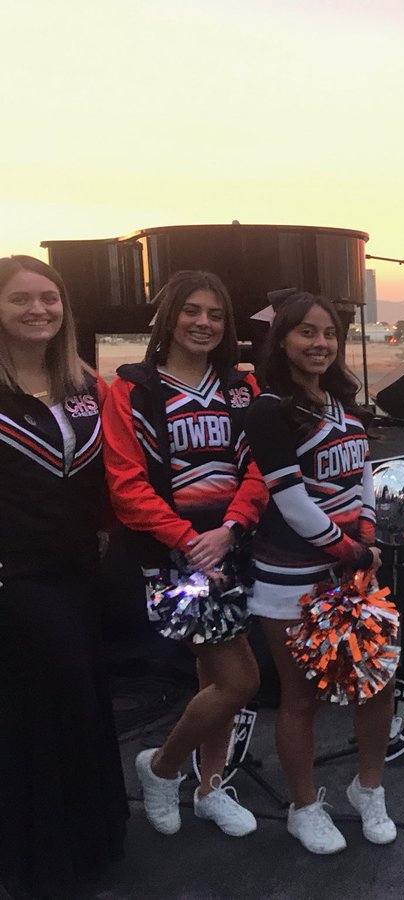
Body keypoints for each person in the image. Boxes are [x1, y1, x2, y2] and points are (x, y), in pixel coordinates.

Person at [102, 270, 267, 839]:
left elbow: (262, 467)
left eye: (216, 315)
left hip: (231, 541)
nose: (203, 323)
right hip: (177, 555)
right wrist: (188, 541)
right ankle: (162, 767)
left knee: (213, 673)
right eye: (192, 311)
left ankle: (209, 786)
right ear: (169, 317)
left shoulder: (243, 388)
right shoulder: (132, 390)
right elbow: (125, 484)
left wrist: (231, 527)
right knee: (239, 679)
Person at [243, 289, 392, 855]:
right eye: (307, 332)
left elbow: (364, 477)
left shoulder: (338, 403)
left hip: (350, 569)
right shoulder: (268, 408)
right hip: (290, 577)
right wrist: (351, 552)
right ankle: (305, 806)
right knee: (300, 696)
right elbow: (290, 500)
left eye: (329, 333)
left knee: (375, 682)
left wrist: (369, 537)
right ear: (281, 339)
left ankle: (369, 788)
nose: (321, 343)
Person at [0, 256, 127, 899]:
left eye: (49, 298)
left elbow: (105, 473)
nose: (39, 310)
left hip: (77, 568)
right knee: (41, 704)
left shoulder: (80, 382)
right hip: (14, 575)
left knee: (79, 697)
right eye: (21, 299)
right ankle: (38, 855)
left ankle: (87, 840)